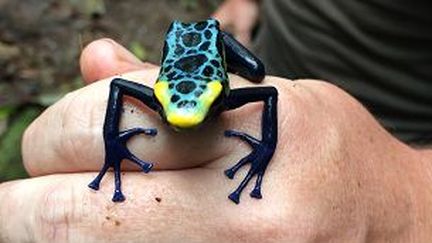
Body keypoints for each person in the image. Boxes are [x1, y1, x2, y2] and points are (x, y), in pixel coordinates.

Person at [1, 2, 432, 242]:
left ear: (221, 97)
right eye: (166, 108)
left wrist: (405, 197)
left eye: (207, 108)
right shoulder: (168, 99)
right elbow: (119, 90)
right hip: (246, 45)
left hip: (397, 134)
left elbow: (266, 93)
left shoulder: (230, 96)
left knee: (258, 72)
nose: (184, 122)